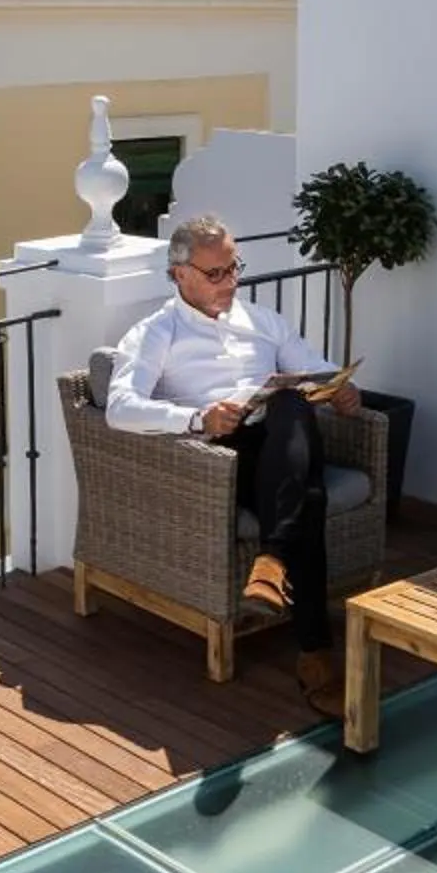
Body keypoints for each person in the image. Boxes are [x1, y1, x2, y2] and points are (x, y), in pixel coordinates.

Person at [105, 214, 363, 710]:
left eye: (234, 268)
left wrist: (342, 388)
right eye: (215, 273)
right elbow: (119, 408)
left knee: (291, 401)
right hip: (220, 461)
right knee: (308, 494)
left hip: (282, 442)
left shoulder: (264, 322)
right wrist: (197, 417)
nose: (230, 282)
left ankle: (273, 565)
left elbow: (314, 366)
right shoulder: (156, 333)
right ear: (180, 273)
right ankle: (312, 651)